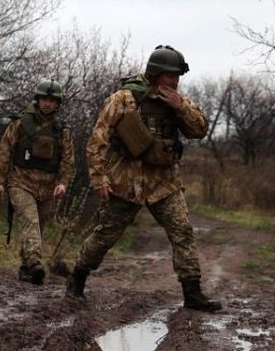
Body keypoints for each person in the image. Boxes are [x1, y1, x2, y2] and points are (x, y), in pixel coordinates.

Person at [66, 45, 221, 312]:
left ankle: (192, 293)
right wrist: (99, 179)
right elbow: (97, 140)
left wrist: (180, 106)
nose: (175, 81)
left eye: (177, 76)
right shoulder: (124, 99)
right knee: (105, 236)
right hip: (127, 182)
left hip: (164, 182)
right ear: (156, 73)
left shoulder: (176, 101)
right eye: (170, 75)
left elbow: (200, 130)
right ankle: (77, 278)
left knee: (182, 230)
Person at [0, 80, 75, 285]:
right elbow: (4, 151)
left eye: (52, 100)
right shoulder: (20, 123)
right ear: (37, 100)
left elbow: (68, 159)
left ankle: (25, 266)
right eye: (43, 99)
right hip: (21, 181)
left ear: (57, 104)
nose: (47, 104)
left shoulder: (62, 130)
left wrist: (63, 183)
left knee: (39, 226)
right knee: (31, 221)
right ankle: (36, 264)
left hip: (48, 187)